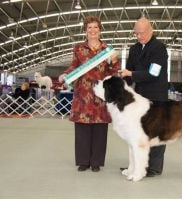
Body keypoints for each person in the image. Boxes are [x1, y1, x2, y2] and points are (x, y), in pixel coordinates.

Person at [58, 16, 120, 172]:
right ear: (85, 30)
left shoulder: (107, 49)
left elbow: (113, 72)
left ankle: (96, 162)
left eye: (95, 27)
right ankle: (83, 161)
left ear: (100, 30)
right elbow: (73, 67)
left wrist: (114, 62)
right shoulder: (78, 48)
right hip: (83, 93)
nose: (92, 30)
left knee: (100, 129)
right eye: (89, 27)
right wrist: (64, 74)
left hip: (100, 94)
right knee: (82, 129)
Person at [119, 17, 168, 177]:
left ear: (150, 30)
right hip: (139, 98)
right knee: (139, 133)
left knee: (156, 133)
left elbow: (154, 73)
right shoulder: (133, 49)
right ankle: (138, 165)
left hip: (156, 96)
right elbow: (127, 72)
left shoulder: (159, 48)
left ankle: (154, 167)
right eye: (136, 33)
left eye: (142, 33)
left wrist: (130, 74)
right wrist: (119, 81)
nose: (139, 36)